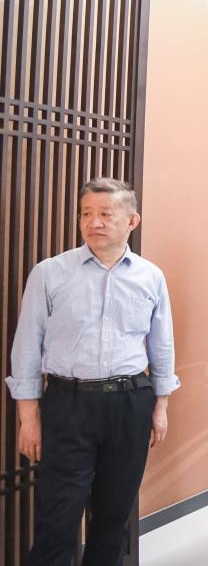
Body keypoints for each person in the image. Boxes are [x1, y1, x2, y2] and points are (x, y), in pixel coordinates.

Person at [5, 178, 180, 565]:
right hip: (68, 404)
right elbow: (27, 346)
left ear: (132, 220)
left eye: (105, 214)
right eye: (86, 213)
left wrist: (161, 405)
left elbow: (161, 345)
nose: (94, 222)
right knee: (58, 518)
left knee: (113, 518)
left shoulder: (150, 276)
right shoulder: (50, 273)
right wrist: (28, 418)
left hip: (130, 403)